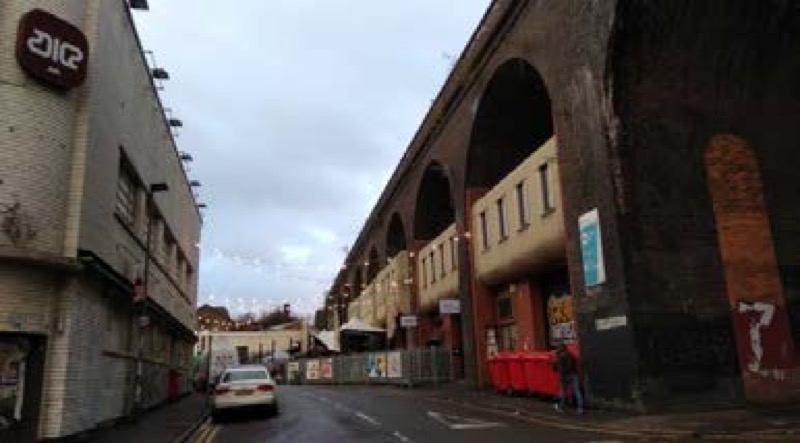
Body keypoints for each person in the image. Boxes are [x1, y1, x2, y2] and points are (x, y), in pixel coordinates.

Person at [554, 343, 584, 414]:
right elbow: (575, 364)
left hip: (565, 376)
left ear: (560, 349)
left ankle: (561, 407)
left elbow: (560, 369)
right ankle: (580, 408)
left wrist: (562, 378)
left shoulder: (560, 357)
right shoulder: (570, 354)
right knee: (577, 391)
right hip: (573, 374)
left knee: (563, 392)